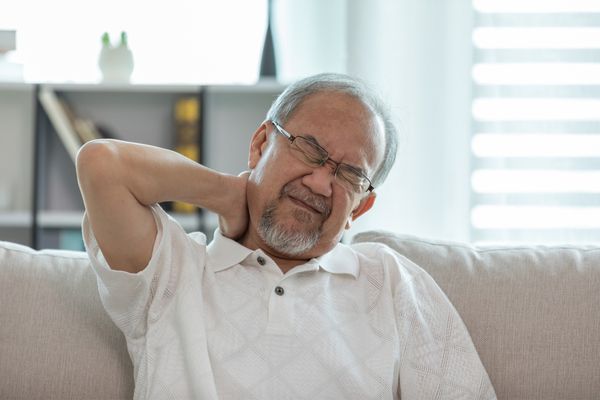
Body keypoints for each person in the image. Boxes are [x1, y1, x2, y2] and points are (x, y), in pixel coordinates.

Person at [77, 73, 496, 399]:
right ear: (260, 145)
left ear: (361, 208)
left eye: (350, 175)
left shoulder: (391, 280)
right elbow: (101, 163)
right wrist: (228, 194)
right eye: (310, 149)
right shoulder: (170, 270)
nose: (319, 182)